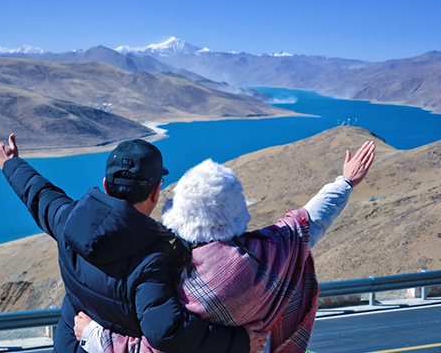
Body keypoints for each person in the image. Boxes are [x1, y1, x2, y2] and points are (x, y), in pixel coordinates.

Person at [73, 141, 376, 353]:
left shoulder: (166, 274)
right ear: (236, 211)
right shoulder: (267, 256)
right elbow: (309, 221)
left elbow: (154, 347)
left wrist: (94, 336)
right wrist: (346, 181)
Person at [0, 133, 264, 353]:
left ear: (105, 185)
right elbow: (165, 330)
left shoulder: (67, 219)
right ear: (155, 192)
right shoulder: (155, 255)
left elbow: (38, 193)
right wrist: (237, 343)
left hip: (69, 343)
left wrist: (9, 162)